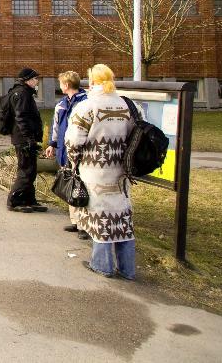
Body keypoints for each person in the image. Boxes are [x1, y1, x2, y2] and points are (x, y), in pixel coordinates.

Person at [64, 63, 140, 280]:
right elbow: (136, 135)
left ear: (92, 82)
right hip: (122, 171)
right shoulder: (129, 105)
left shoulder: (87, 107)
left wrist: (74, 162)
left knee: (101, 217)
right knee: (122, 217)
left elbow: (73, 141)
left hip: (95, 170)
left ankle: (102, 265)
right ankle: (127, 269)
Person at [45, 70, 88, 237]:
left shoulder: (84, 102)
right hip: (65, 149)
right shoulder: (62, 104)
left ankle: (85, 225)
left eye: (61, 83)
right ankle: (75, 221)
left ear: (67, 84)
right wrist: (52, 144)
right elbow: (55, 126)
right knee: (71, 182)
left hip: (80, 150)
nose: (60, 86)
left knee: (82, 185)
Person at [6, 67, 46, 213]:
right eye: (35, 78)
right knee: (26, 171)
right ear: (27, 80)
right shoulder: (22, 94)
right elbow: (21, 118)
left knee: (31, 170)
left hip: (25, 138)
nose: (37, 81)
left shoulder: (24, 92)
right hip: (23, 139)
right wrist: (29, 138)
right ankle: (14, 201)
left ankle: (29, 199)